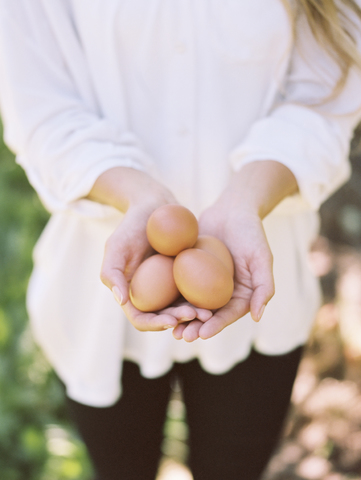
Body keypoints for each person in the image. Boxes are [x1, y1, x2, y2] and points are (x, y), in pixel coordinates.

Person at [1, 1, 361, 479]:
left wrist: (245, 199)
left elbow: (326, 98)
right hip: (102, 299)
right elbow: (42, 110)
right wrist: (136, 195)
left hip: (256, 286)